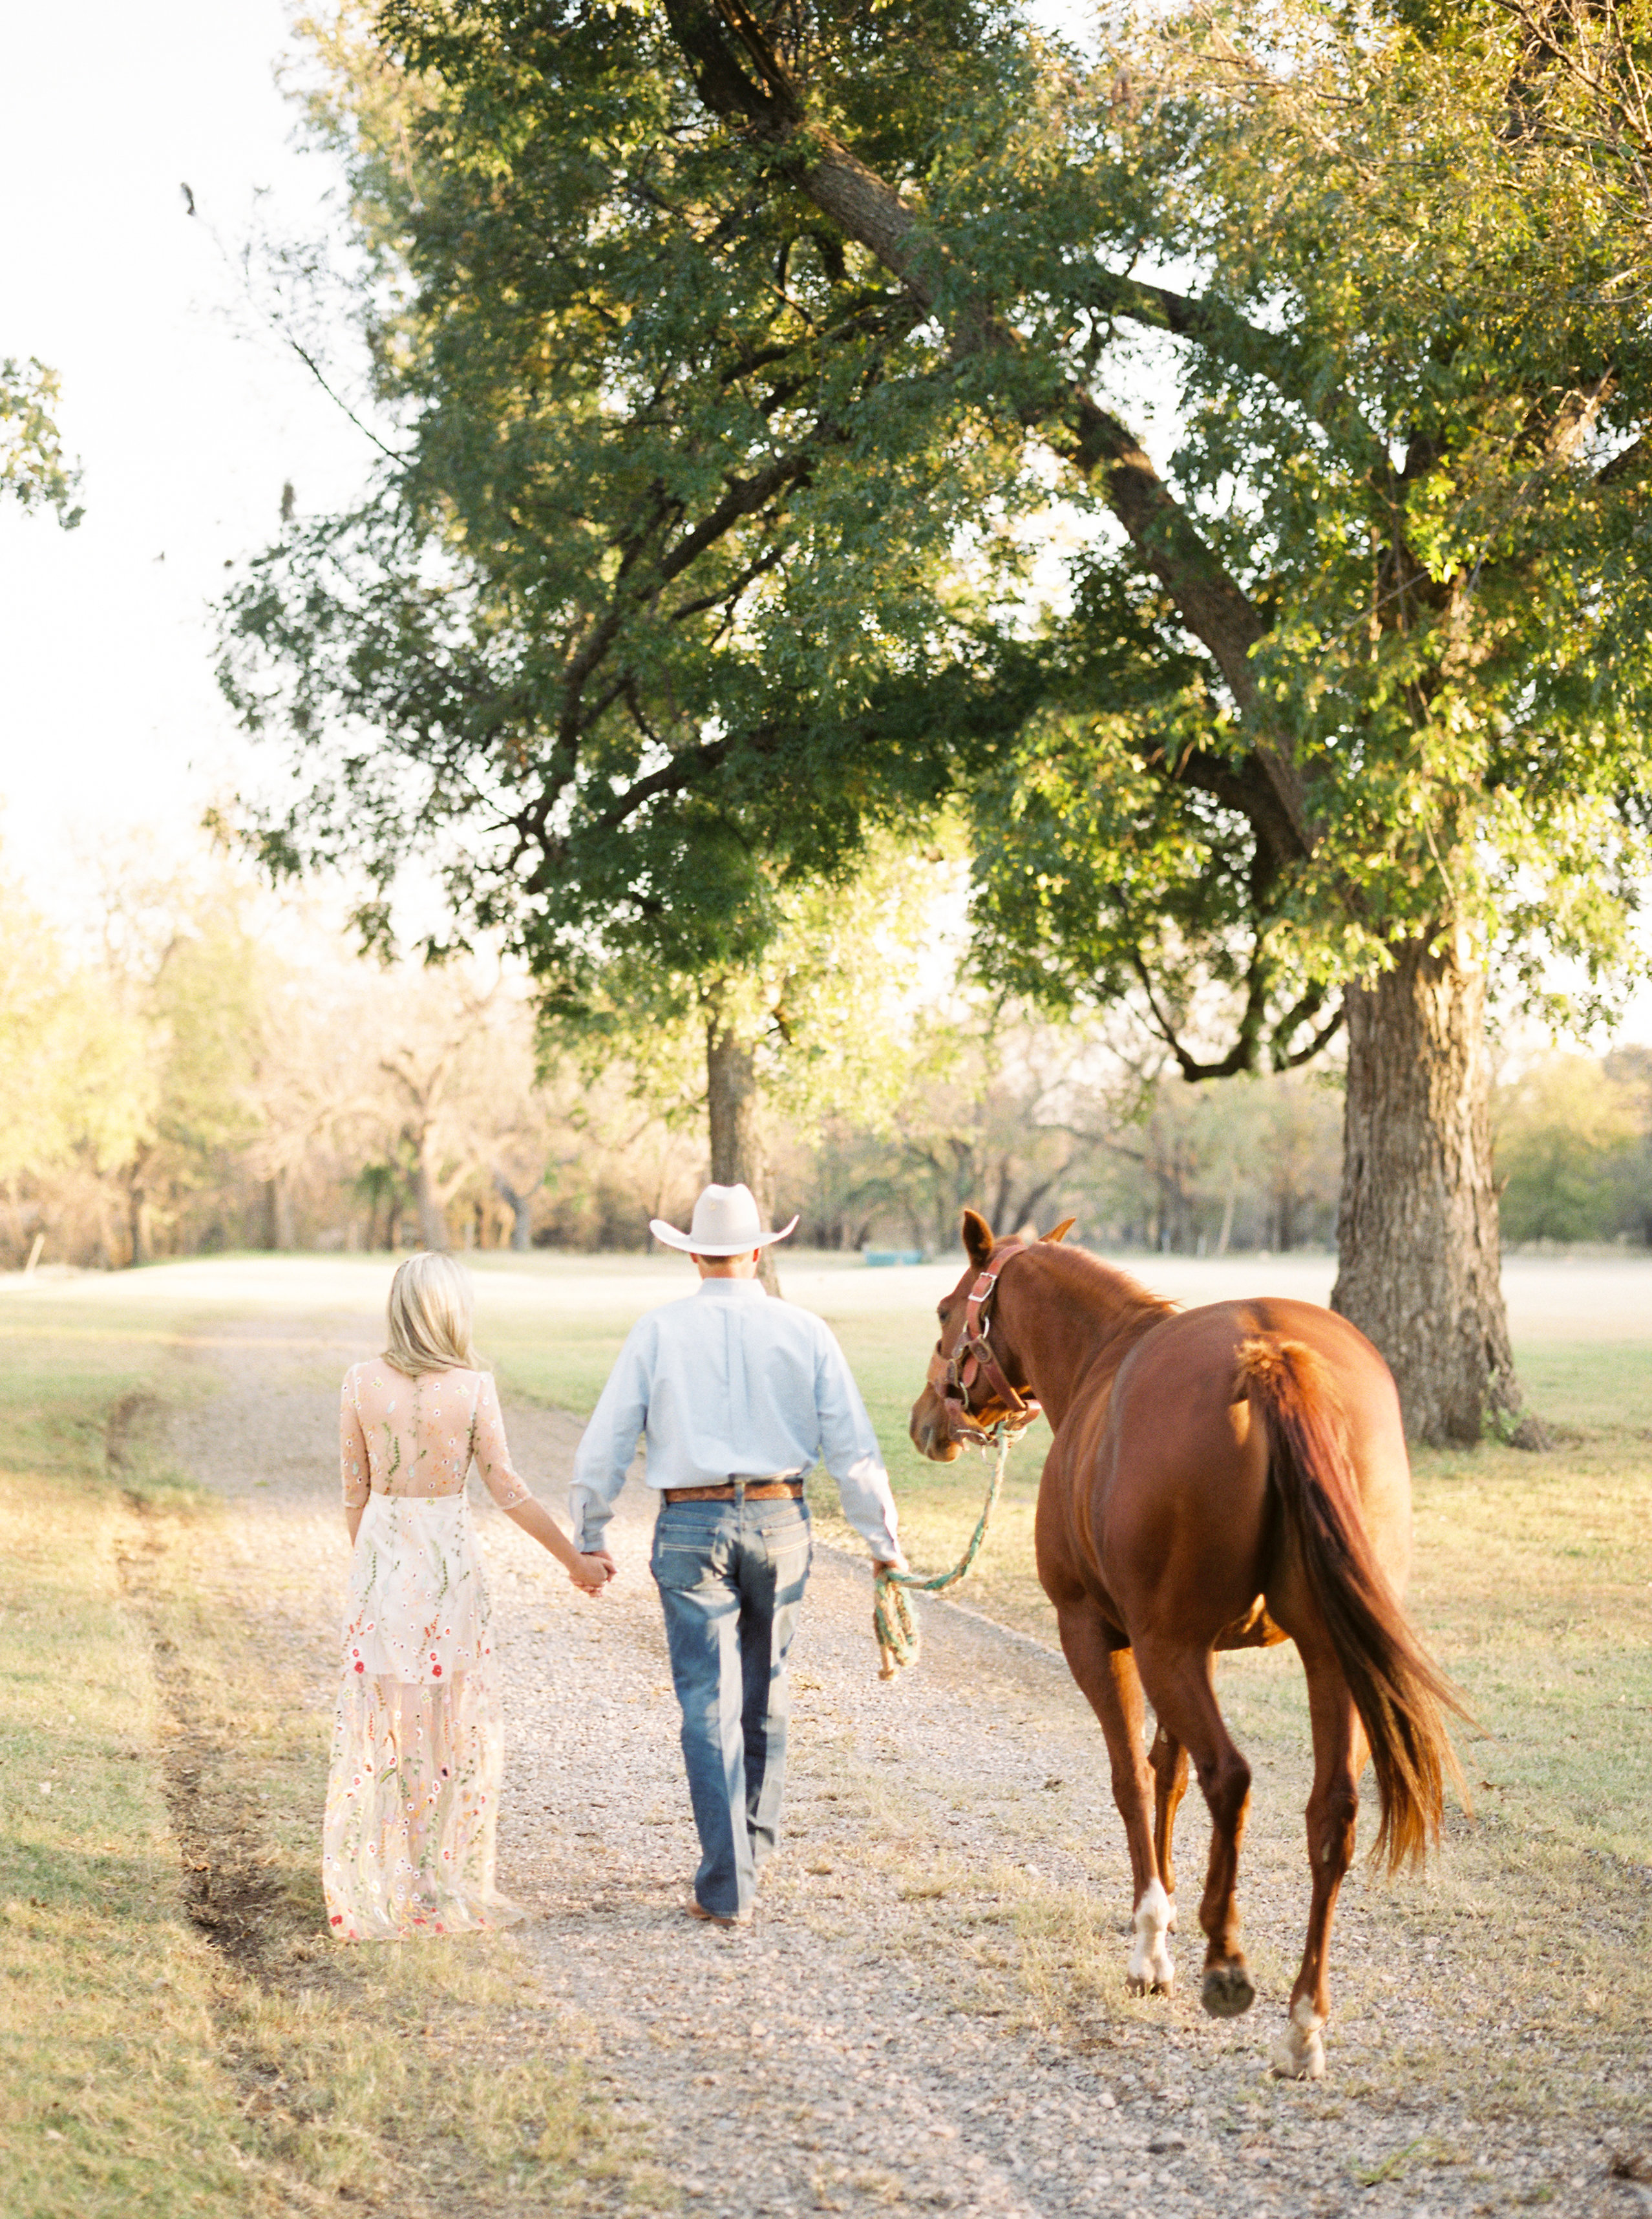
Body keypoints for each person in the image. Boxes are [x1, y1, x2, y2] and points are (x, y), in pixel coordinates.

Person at [569, 1182, 906, 1927]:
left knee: (707, 1703)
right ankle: (749, 1853)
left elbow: (610, 1437)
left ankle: (728, 1884)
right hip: (782, 1519)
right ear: (758, 1250)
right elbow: (853, 1446)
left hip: (691, 1523)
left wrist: (589, 1529)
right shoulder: (807, 1329)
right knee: (769, 1689)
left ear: (694, 1256)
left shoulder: (656, 1331)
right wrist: (883, 1545)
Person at [324, 1252, 613, 1941]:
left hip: (384, 1560)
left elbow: (354, 1495)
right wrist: (576, 1561)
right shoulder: (475, 1388)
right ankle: (434, 1877)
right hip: (451, 1564)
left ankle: (386, 1874)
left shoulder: (360, 1382)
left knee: (386, 1721)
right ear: (455, 1310)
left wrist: (373, 1571)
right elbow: (507, 1488)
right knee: (449, 1720)